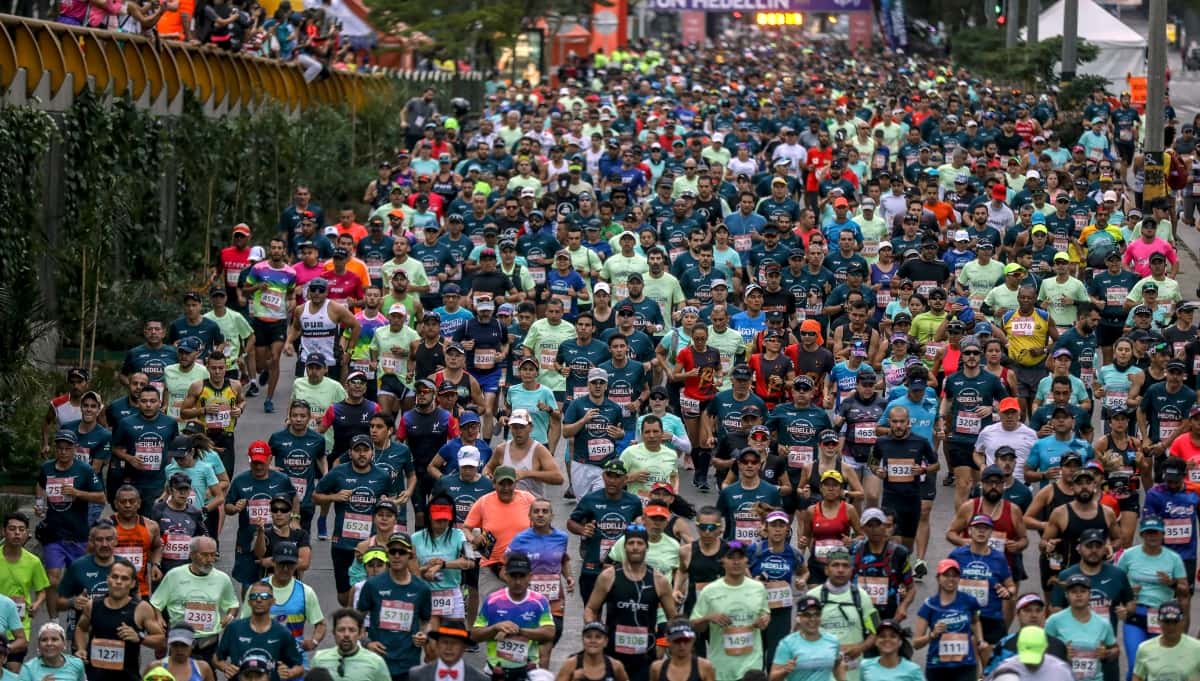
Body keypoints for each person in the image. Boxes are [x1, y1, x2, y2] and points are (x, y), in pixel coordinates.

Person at [313, 434, 392, 606]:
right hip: (342, 543)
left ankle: (364, 618)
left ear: (372, 453)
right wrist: (334, 497)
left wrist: (386, 502)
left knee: (371, 589)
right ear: (350, 453)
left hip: (372, 544)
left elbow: (391, 504)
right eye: (357, 450)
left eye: (366, 450)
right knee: (344, 596)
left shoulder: (382, 476)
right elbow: (316, 497)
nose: (361, 454)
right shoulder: (338, 473)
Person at [37, 429, 106, 617]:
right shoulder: (47, 468)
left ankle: (78, 619)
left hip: (77, 533)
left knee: (80, 580)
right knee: (52, 580)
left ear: (75, 448)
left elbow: (101, 497)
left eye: (67, 448)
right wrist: (40, 504)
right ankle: (53, 622)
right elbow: (40, 485)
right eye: (60, 448)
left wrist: (77, 493)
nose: (63, 452)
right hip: (53, 533)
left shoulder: (84, 470)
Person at [355, 533, 435, 681]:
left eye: (402, 552)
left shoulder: (421, 589)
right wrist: (367, 643)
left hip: (408, 664)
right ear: (388, 554)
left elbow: (426, 623)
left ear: (410, 554)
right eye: (393, 551)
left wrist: (424, 635)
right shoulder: (372, 585)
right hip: (377, 663)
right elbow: (356, 620)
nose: (397, 556)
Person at [149, 536, 239, 664]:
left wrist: (230, 615)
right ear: (191, 555)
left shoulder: (222, 579)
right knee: (178, 672)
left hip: (208, 640)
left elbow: (232, 604)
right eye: (204, 555)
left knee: (207, 673)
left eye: (213, 555)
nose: (209, 560)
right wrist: (158, 618)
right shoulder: (174, 575)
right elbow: (156, 602)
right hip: (180, 639)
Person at [72, 559, 164, 681]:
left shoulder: (141, 608)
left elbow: (161, 640)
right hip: (94, 676)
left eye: (124, 578)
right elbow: (81, 628)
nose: (118, 582)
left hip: (127, 677)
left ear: (132, 583)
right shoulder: (93, 605)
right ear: (108, 579)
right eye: (114, 577)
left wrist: (140, 638)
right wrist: (81, 648)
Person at [690, 540, 769, 681]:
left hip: (751, 665)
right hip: (722, 666)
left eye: (740, 557)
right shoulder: (709, 591)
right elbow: (694, 625)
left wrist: (764, 620)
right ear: (722, 561)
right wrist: (709, 618)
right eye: (731, 558)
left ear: (747, 561)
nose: (736, 562)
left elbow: (765, 613)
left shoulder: (758, 588)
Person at [567, 460, 643, 605]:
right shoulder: (590, 499)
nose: (612, 481)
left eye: (617, 476)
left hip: (622, 569)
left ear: (625, 479)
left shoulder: (633, 502)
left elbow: (640, 527)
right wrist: (583, 530)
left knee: (618, 613)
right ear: (603, 476)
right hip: (593, 567)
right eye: (609, 475)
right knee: (592, 611)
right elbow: (571, 522)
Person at [507, 499, 571, 667]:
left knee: (550, 640)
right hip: (528, 601)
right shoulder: (520, 540)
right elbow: (504, 568)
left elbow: (563, 560)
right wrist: (517, 585)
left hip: (554, 600)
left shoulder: (562, 537)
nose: (540, 515)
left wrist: (569, 577)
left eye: (545, 511)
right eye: (536, 511)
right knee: (534, 648)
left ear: (552, 515)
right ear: (530, 516)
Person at [472, 551, 556, 680]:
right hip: (495, 670)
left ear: (530, 576)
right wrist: (495, 628)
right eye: (513, 576)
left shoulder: (539, 601)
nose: (518, 581)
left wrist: (519, 631)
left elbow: (549, 633)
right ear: (506, 576)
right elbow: (475, 635)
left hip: (528, 670)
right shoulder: (492, 601)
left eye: (522, 576)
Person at [225, 442, 296, 591]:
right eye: (255, 462)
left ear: (270, 459)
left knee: (279, 583)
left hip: (276, 539)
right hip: (248, 538)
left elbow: (294, 498)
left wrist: (295, 519)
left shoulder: (281, 479)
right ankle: (247, 606)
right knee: (248, 584)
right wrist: (235, 507)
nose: (258, 467)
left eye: (262, 462)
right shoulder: (240, 481)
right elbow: (227, 507)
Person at [243, 542, 325, 666]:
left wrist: (313, 641)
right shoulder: (257, 589)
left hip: (295, 660)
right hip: (262, 658)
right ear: (273, 562)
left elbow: (320, 624)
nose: (285, 569)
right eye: (281, 564)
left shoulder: (306, 592)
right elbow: (243, 623)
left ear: (296, 565)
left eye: (290, 564)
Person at [214, 581, 304, 680]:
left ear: (273, 601)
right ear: (249, 602)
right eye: (254, 596)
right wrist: (225, 668)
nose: (259, 599)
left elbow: (299, 666)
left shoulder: (283, 632)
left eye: (264, 596)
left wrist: (289, 673)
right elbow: (216, 658)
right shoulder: (234, 628)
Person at [912, 559, 986, 681]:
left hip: (965, 665)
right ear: (938, 578)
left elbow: (975, 621)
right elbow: (916, 643)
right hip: (938, 666)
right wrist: (932, 635)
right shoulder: (929, 605)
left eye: (955, 575)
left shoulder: (969, 601)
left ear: (959, 578)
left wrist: (980, 640)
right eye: (946, 575)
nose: (951, 579)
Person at [947, 515, 1015, 646]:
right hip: (962, 615)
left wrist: (1008, 592)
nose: (981, 531)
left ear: (991, 533)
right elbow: (944, 581)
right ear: (970, 531)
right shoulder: (957, 555)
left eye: (986, 528)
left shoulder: (999, 558)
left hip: (991, 616)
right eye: (977, 527)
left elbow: (1011, 585)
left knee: (992, 655)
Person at [410, 496, 471, 631]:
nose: (442, 523)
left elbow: (470, 561)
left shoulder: (459, 535)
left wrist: (443, 564)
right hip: (426, 593)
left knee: (455, 638)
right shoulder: (415, 538)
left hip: (452, 593)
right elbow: (412, 572)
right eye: (438, 519)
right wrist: (425, 571)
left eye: (445, 519)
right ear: (429, 517)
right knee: (431, 640)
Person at [1043, 573, 1117, 681]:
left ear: (1090, 594)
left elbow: (1115, 649)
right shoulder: (1054, 621)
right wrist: (1061, 653)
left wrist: (1106, 654)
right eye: (1074, 592)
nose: (1079, 595)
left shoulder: (1103, 623)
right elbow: (1042, 649)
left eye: (1083, 591)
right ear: (1066, 595)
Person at [769, 595, 844, 681]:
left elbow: (837, 664)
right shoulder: (787, 643)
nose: (812, 619)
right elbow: (772, 678)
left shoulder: (832, 640)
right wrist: (785, 670)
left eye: (817, 614)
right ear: (798, 618)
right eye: (807, 615)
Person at [310, 609, 390, 681]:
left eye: (352, 630)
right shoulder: (319, 659)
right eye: (341, 630)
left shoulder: (376, 663)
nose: (346, 634)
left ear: (360, 633)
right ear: (333, 632)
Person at [1130, 600, 1200, 681]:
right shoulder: (1144, 648)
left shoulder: (1197, 648)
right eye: (1167, 622)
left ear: (1182, 622)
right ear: (1158, 622)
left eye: (1175, 622)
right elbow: (1137, 677)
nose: (1171, 627)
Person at [408, 621, 488, 681]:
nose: (449, 648)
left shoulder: (479, 679)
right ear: (437, 644)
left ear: (464, 647)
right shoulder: (417, 675)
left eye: (455, 643)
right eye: (445, 642)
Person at [989, 626, 1074, 681]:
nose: (1031, 662)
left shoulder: (1062, 671)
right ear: (1018, 647)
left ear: (1046, 648)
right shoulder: (1004, 671)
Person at [553, 622, 631, 681]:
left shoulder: (615, 666)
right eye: (588, 636)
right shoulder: (570, 665)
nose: (593, 641)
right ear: (582, 640)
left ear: (606, 641)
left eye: (598, 637)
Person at [16, 623, 84, 681]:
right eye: (44, 640)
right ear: (38, 645)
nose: (49, 643)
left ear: (64, 643)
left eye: (54, 639)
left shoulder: (76, 664)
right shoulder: (28, 669)